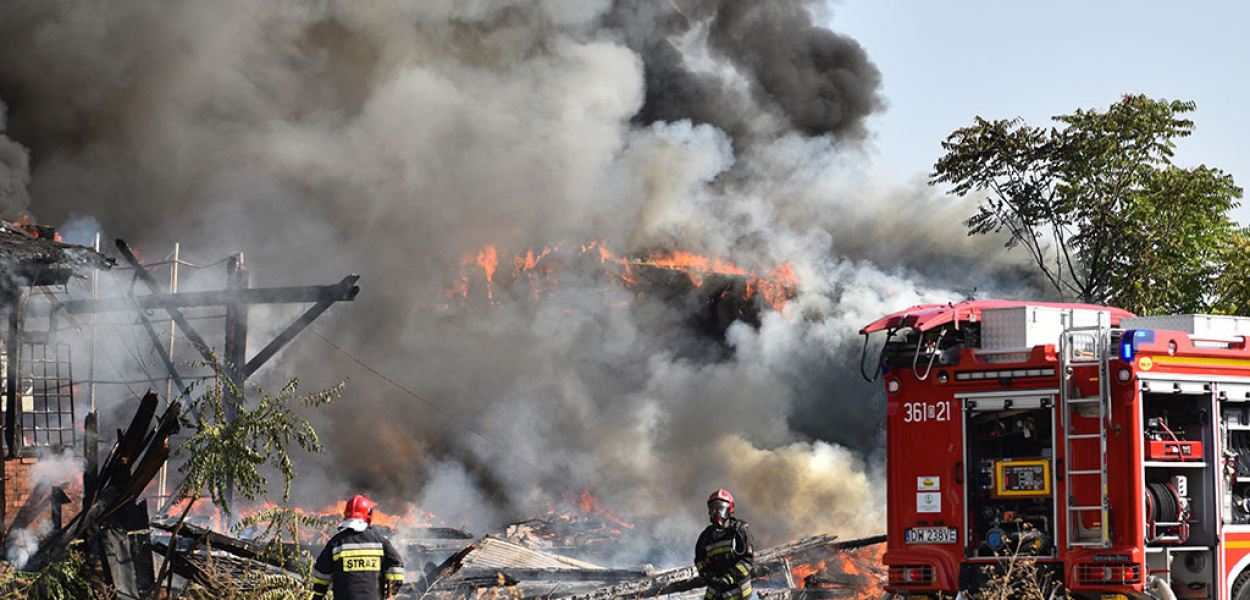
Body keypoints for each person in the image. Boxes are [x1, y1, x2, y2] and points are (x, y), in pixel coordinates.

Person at [310, 494, 406, 600]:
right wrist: (391, 592)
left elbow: (321, 573)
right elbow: (397, 564)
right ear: (369, 515)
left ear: (346, 515)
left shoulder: (336, 542)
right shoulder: (379, 541)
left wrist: (318, 595)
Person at [695, 489, 755, 600]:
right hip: (715, 592)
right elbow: (699, 561)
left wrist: (729, 578)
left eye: (721, 509)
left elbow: (747, 561)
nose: (717, 514)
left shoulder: (740, 531)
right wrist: (710, 576)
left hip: (738, 593)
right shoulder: (706, 536)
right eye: (714, 509)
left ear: (729, 509)